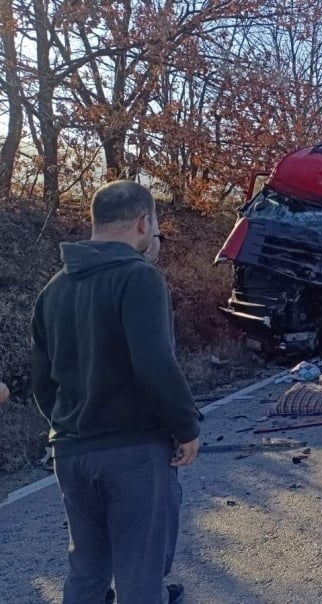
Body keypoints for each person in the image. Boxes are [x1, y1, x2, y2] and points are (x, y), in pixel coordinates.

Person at [31, 180, 200, 604]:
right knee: (140, 575)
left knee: (86, 572)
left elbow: (41, 382)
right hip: (134, 451)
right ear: (144, 222)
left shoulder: (53, 289)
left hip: (71, 451)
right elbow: (155, 363)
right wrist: (185, 426)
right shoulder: (139, 278)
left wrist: (72, 425)